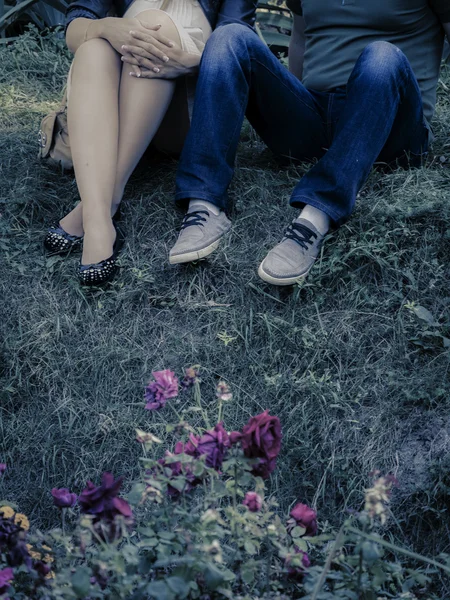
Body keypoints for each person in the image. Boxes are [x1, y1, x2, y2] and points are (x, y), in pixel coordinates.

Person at [170, 1, 450, 286]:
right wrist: (293, 102)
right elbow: (301, 38)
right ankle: (204, 205)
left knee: (382, 56)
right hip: (319, 117)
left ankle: (313, 219)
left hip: (391, 129)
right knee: (229, 36)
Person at [44, 0, 258, 286]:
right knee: (94, 48)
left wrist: (192, 64)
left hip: (185, 107)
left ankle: (99, 204)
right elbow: (75, 26)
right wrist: (107, 27)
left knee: (156, 28)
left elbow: (237, 45)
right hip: (119, 103)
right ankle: (98, 222)